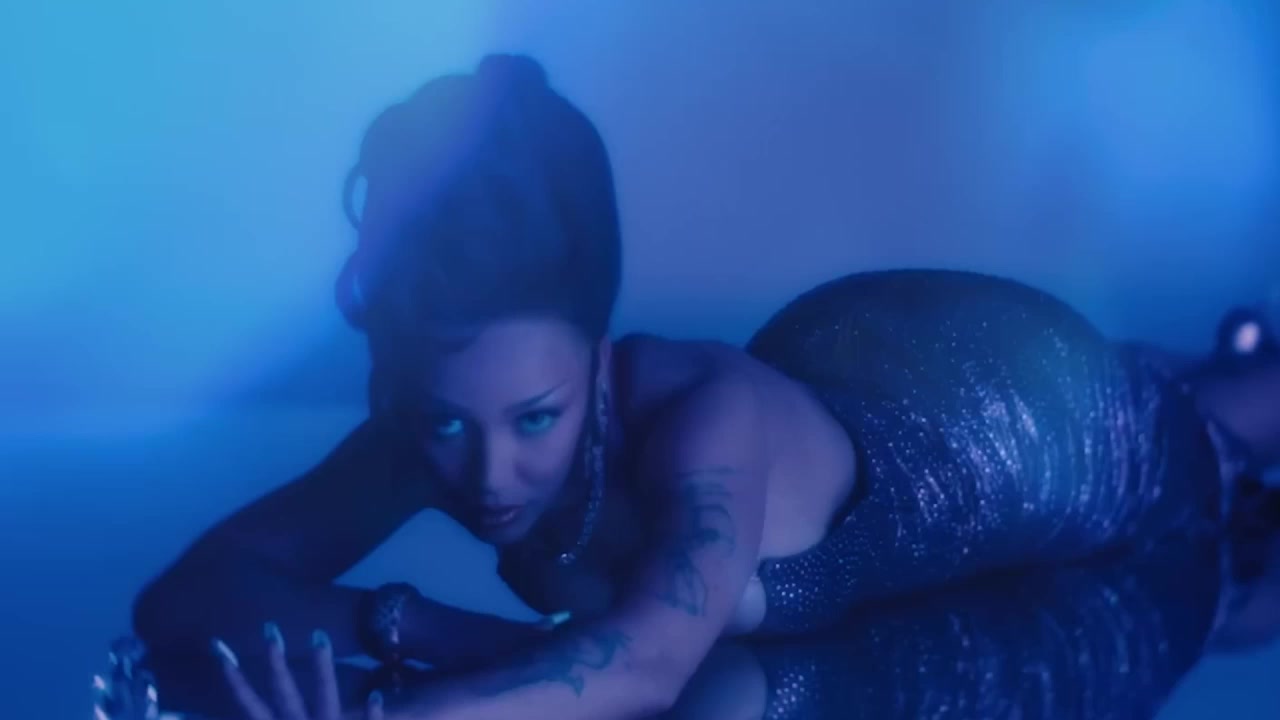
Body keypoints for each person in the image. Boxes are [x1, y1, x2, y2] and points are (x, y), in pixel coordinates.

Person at [129, 54, 1280, 719]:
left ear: (595, 351)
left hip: (1015, 424)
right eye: (441, 421)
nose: (486, 474)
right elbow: (184, 602)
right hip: (858, 361)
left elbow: (650, 667)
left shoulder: (697, 418)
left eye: (536, 416)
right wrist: (414, 624)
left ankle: (1208, 380)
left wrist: (401, 695)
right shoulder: (429, 436)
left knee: (1193, 453)